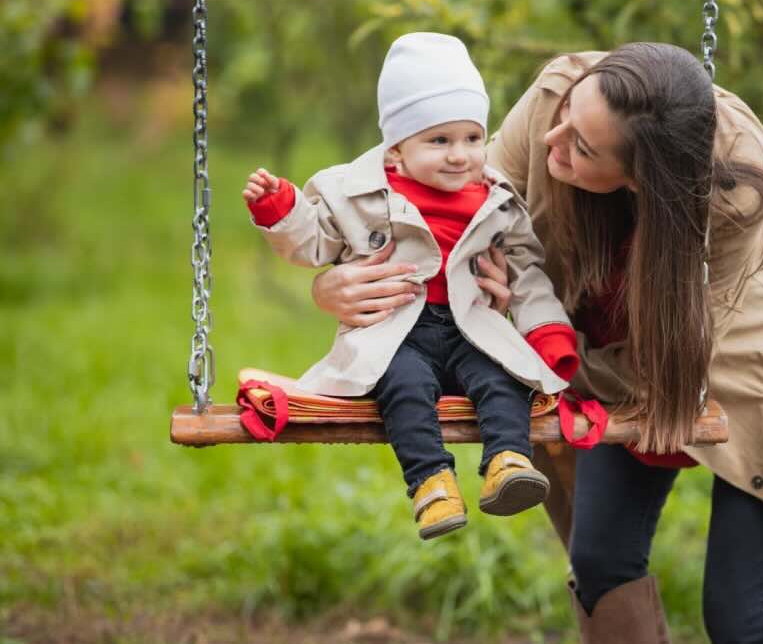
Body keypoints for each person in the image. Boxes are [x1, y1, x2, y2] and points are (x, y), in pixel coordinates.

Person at [311, 43, 763, 643]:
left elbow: (685, 358)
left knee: (740, 618)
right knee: (601, 566)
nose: (552, 143)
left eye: (581, 149)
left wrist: (533, 327)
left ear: (638, 180)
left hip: (743, 376)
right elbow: (438, 220)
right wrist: (334, 285)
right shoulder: (558, 100)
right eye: (568, 121)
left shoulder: (734, 198)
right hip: (602, 357)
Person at [241, 32, 580, 541]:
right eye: (438, 141)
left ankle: (507, 462)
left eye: (470, 138)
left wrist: (548, 336)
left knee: (503, 379)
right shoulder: (358, 194)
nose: (459, 155)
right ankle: (432, 487)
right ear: (396, 149)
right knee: (403, 389)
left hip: (473, 330)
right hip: (398, 334)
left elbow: (527, 272)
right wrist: (282, 210)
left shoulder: (497, 201)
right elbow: (314, 243)